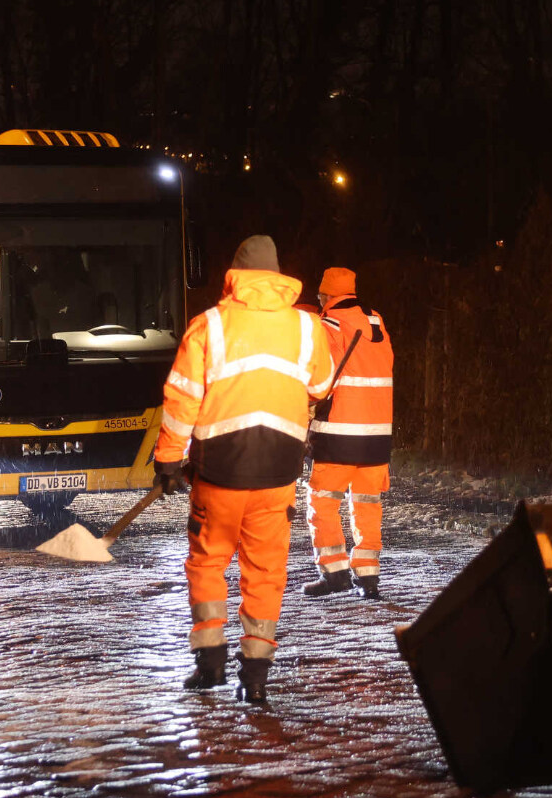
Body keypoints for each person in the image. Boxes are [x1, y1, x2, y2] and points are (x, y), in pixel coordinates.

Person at [153, 235, 334, 704]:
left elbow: (182, 401)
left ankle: (210, 662)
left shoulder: (209, 326)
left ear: (235, 273)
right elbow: (321, 385)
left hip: (219, 472)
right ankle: (255, 676)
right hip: (279, 471)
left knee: (208, 561)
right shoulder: (307, 327)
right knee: (266, 570)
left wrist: (169, 459)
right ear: (278, 277)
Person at [303, 267, 394, 600]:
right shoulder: (376, 322)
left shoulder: (326, 326)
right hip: (378, 433)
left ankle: (335, 572)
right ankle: (368, 578)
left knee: (323, 503)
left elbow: (316, 376)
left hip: (339, 432)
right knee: (368, 503)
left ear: (327, 296)